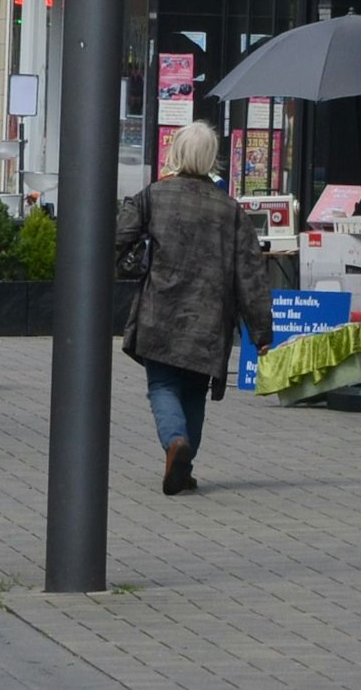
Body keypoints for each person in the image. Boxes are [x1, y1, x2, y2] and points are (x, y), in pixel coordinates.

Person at [114, 120, 273, 496]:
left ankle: (174, 443)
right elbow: (250, 274)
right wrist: (262, 332)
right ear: (211, 159)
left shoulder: (153, 196)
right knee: (194, 392)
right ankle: (183, 466)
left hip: (161, 310)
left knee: (163, 385)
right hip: (209, 319)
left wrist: (134, 266)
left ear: (176, 153)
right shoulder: (230, 210)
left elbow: (117, 240)